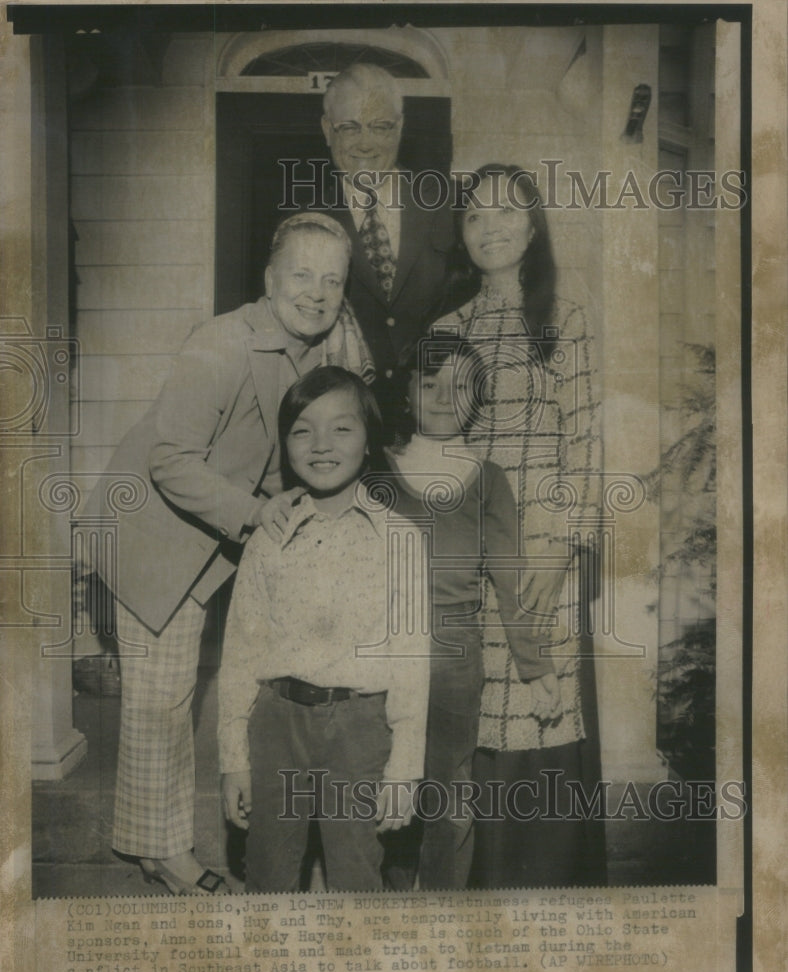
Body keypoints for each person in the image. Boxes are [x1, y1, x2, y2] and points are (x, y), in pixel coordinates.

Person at [87, 213, 374, 895]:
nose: (316, 291)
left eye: (332, 280)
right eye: (302, 274)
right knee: (163, 700)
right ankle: (167, 855)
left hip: (208, 537)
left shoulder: (318, 347)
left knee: (170, 697)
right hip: (151, 531)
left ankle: (147, 839)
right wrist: (256, 516)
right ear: (270, 278)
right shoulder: (221, 341)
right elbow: (170, 462)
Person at [434, 164, 607, 888]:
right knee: (484, 712)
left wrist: (564, 548)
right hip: (478, 553)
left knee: (546, 708)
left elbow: (587, 440)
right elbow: (443, 453)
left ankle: (552, 887)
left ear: (533, 229)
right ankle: (486, 890)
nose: (491, 226)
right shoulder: (446, 331)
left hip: (546, 553)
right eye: (475, 216)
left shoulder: (565, 317)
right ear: (462, 235)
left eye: (507, 213)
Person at [218, 367, 430, 892]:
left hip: (360, 731)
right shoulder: (269, 539)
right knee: (267, 873)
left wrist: (404, 771)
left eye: (342, 428)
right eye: (302, 429)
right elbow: (241, 654)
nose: (321, 445)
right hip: (275, 724)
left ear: (368, 439)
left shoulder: (398, 539)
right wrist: (233, 762)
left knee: (357, 875)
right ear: (285, 443)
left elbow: (411, 661)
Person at [380, 337, 560, 890]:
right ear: (407, 393)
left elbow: (510, 580)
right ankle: (387, 893)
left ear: (479, 397)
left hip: (453, 658)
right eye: (428, 383)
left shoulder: (488, 479)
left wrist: (537, 666)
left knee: (449, 787)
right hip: (379, 651)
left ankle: (442, 915)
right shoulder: (374, 470)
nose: (441, 397)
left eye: (459, 386)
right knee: (384, 781)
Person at [318, 64, 454, 408]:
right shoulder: (303, 218)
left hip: (436, 419)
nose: (366, 143)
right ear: (327, 129)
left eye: (380, 127)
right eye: (349, 127)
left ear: (400, 127)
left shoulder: (445, 202)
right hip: (345, 424)